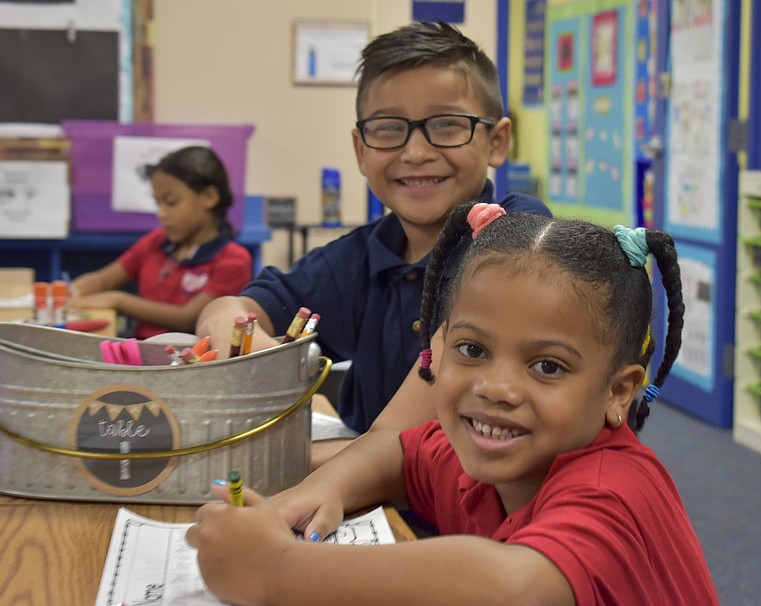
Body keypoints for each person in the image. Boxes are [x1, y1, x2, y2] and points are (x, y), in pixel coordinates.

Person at [186, 202, 719, 605]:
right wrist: (320, 490)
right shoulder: (488, 458)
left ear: (618, 392)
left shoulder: (613, 492)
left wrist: (276, 568)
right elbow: (403, 453)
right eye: (473, 350)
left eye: (547, 366)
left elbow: (513, 586)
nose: (496, 388)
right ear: (436, 350)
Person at [195, 21, 551, 445]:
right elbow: (234, 308)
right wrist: (231, 326)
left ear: (496, 141)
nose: (416, 152)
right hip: (376, 505)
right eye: (387, 128)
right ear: (361, 150)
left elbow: (405, 438)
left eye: (447, 124)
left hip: (489, 503)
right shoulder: (359, 257)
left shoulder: (516, 237)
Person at [68, 146, 253, 339]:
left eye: (171, 202)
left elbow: (187, 318)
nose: (161, 214)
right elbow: (104, 279)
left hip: (191, 361)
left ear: (209, 197)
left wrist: (118, 300)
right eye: (158, 203)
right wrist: (73, 291)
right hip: (142, 353)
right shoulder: (156, 242)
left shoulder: (234, 260)